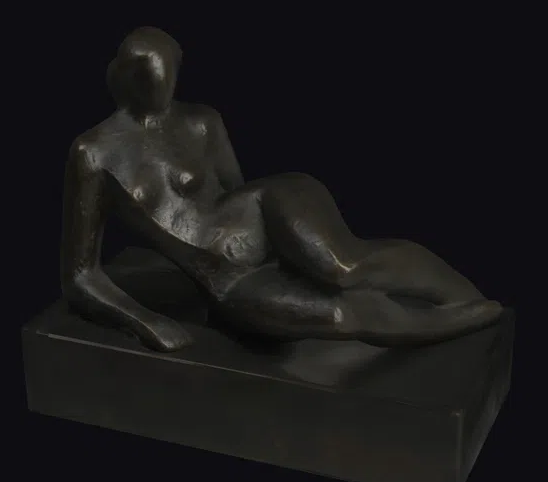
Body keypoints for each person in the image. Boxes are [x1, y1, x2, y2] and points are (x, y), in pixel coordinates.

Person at [61, 26, 502, 352]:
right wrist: (146, 322)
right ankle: (463, 320)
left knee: (342, 266)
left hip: (264, 207)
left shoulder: (201, 122)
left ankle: (464, 295)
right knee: (339, 314)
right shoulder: (93, 153)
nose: (163, 92)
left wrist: (290, 251)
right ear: (124, 78)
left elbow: (240, 188)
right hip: (225, 278)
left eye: (169, 79)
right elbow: (80, 276)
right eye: (149, 82)